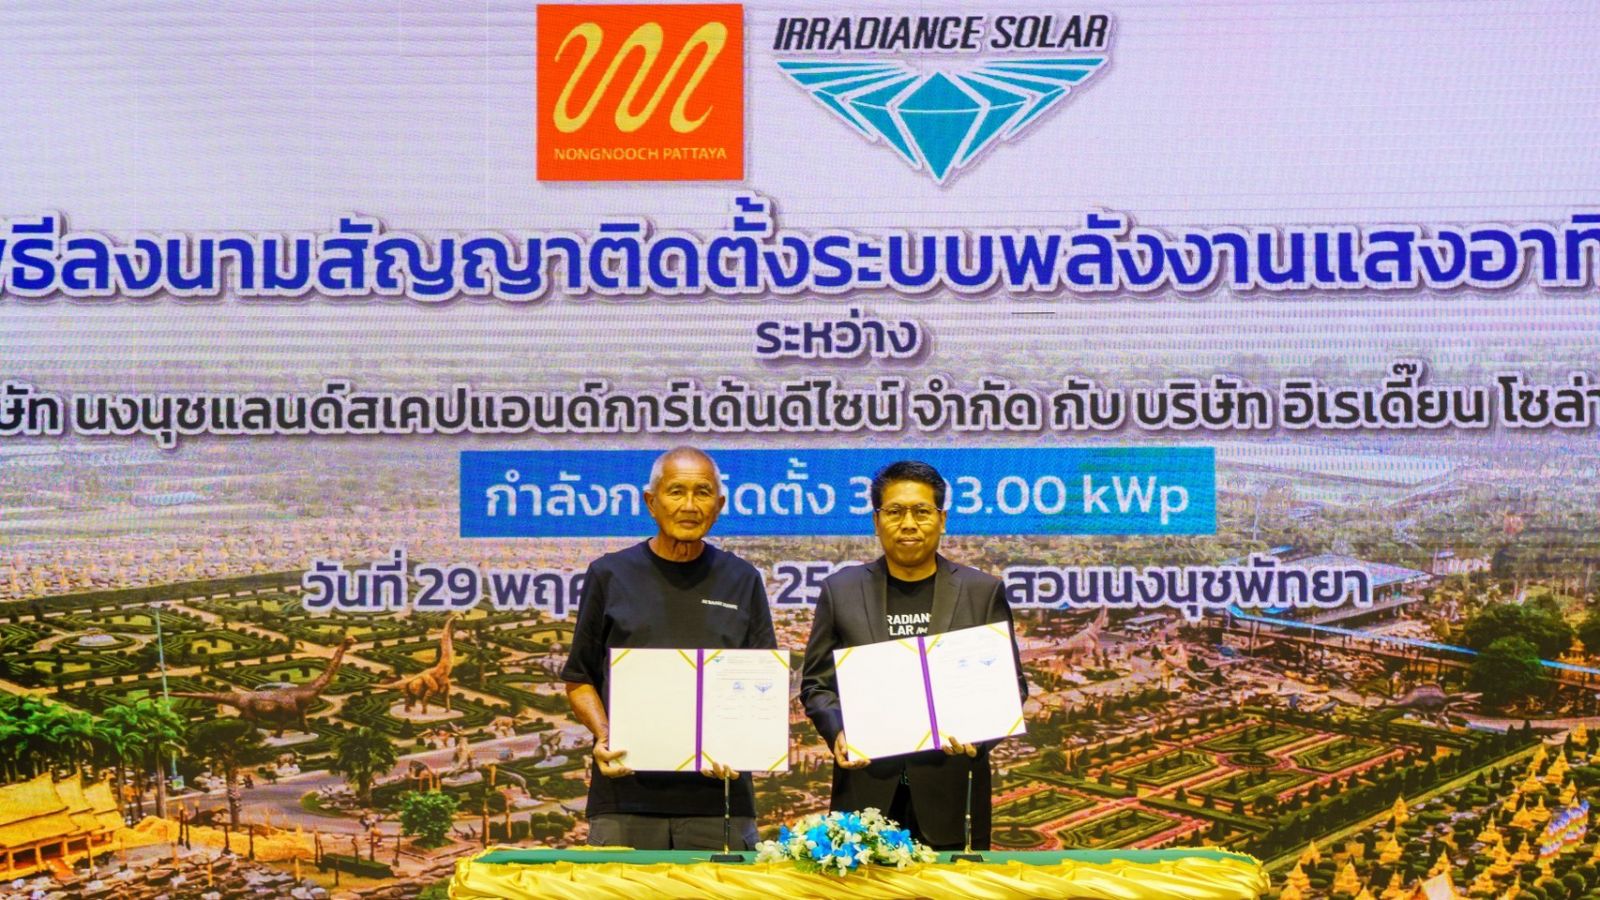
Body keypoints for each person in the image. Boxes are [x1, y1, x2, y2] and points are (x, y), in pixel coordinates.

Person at [800, 460, 1026, 850]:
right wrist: (837, 730)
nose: (908, 524)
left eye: (921, 511)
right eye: (895, 512)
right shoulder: (841, 590)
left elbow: (1012, 686)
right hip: (865, 795)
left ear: (942, 519)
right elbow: (817, 685)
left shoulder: (981, 591)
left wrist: (980, 735)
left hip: (952, 795)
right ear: (876, 521)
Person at [561, 446, 776, 850]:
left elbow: (763, 681)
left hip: (721, 801)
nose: (690, 506)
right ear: (651, 502)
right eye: (676, 491)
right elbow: (579, 678)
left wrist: (742, 738)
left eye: (703, 493)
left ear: (719, 505)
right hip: (624, 798)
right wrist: (605, 734)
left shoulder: (742, 579)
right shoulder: (609, 574)